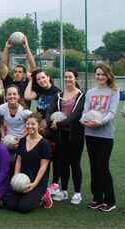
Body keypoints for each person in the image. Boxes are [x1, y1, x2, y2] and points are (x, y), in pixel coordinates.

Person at [81, 64, 119, 212]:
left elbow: (111, 112)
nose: (100, 77)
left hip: (105, 135)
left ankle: (110, 200)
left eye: (103, 74)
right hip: (90, 134)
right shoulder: (90, 92)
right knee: (93, 167)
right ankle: (97, 198)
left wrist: (100, 122)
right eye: (98, 74)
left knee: (102, 167)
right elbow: (85, 111)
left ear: (108, 75)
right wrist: (83, 121)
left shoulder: (113, 91)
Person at [46, 69, 85, 205]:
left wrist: (60, 124)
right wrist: (51, 122)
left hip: (75, 135)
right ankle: (63, 190)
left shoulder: (81, 95)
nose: (68, 79)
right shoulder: (58, 95)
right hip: (60, 136)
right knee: (63, 163)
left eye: (70, 77)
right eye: (66, 77)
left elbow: (75, 115)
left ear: (76, 78)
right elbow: (49, 111)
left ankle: (77, 193)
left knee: (74, 164)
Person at [6, 113, 52, 213]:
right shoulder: (22, 141)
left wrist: (34, 184)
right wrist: (16, 177)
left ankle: (44, 194)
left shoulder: (45, 144)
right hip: (22, 179)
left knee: (23, 207)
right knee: (10, 205)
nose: (29, 126)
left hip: (37, 181)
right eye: (27, 124)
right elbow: (18, 160)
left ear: (38, 126)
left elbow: (43, 167)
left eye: (33, 124)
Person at [24, 69, 61, 194]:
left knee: (55, 157)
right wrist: (30, 80)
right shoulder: (39, 91)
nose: (41, 80)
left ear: (48, 77)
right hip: (41, 130)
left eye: (43, 77)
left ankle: (55, 184)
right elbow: (27, 96)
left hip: (53, 129)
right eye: (38, 79)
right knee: (44, 158)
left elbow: (60, 112)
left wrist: (48, 121)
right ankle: (43, 184)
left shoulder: (57, 91)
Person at [0, 85, 32, 176]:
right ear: (6, 96)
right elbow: (1, 123)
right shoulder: (1, 108)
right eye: (9, 94)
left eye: (14, 94)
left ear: (18, 96)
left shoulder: (25, 112)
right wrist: (3, 136)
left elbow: (31, 127)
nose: (12, 96)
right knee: (5, 160)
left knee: (20, 161)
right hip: (8, 139)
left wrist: (21, 138)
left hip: (22, 139)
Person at [0, 36, 36, 109]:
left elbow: (33, 67)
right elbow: (3, 65)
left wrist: (26, 47)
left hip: (24, 113)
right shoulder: (9, 83)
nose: (17, 73)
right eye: (15, 72)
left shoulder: (28, 82)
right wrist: (6, 48)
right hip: (10, 113)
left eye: (20, 72)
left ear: (24, 74)